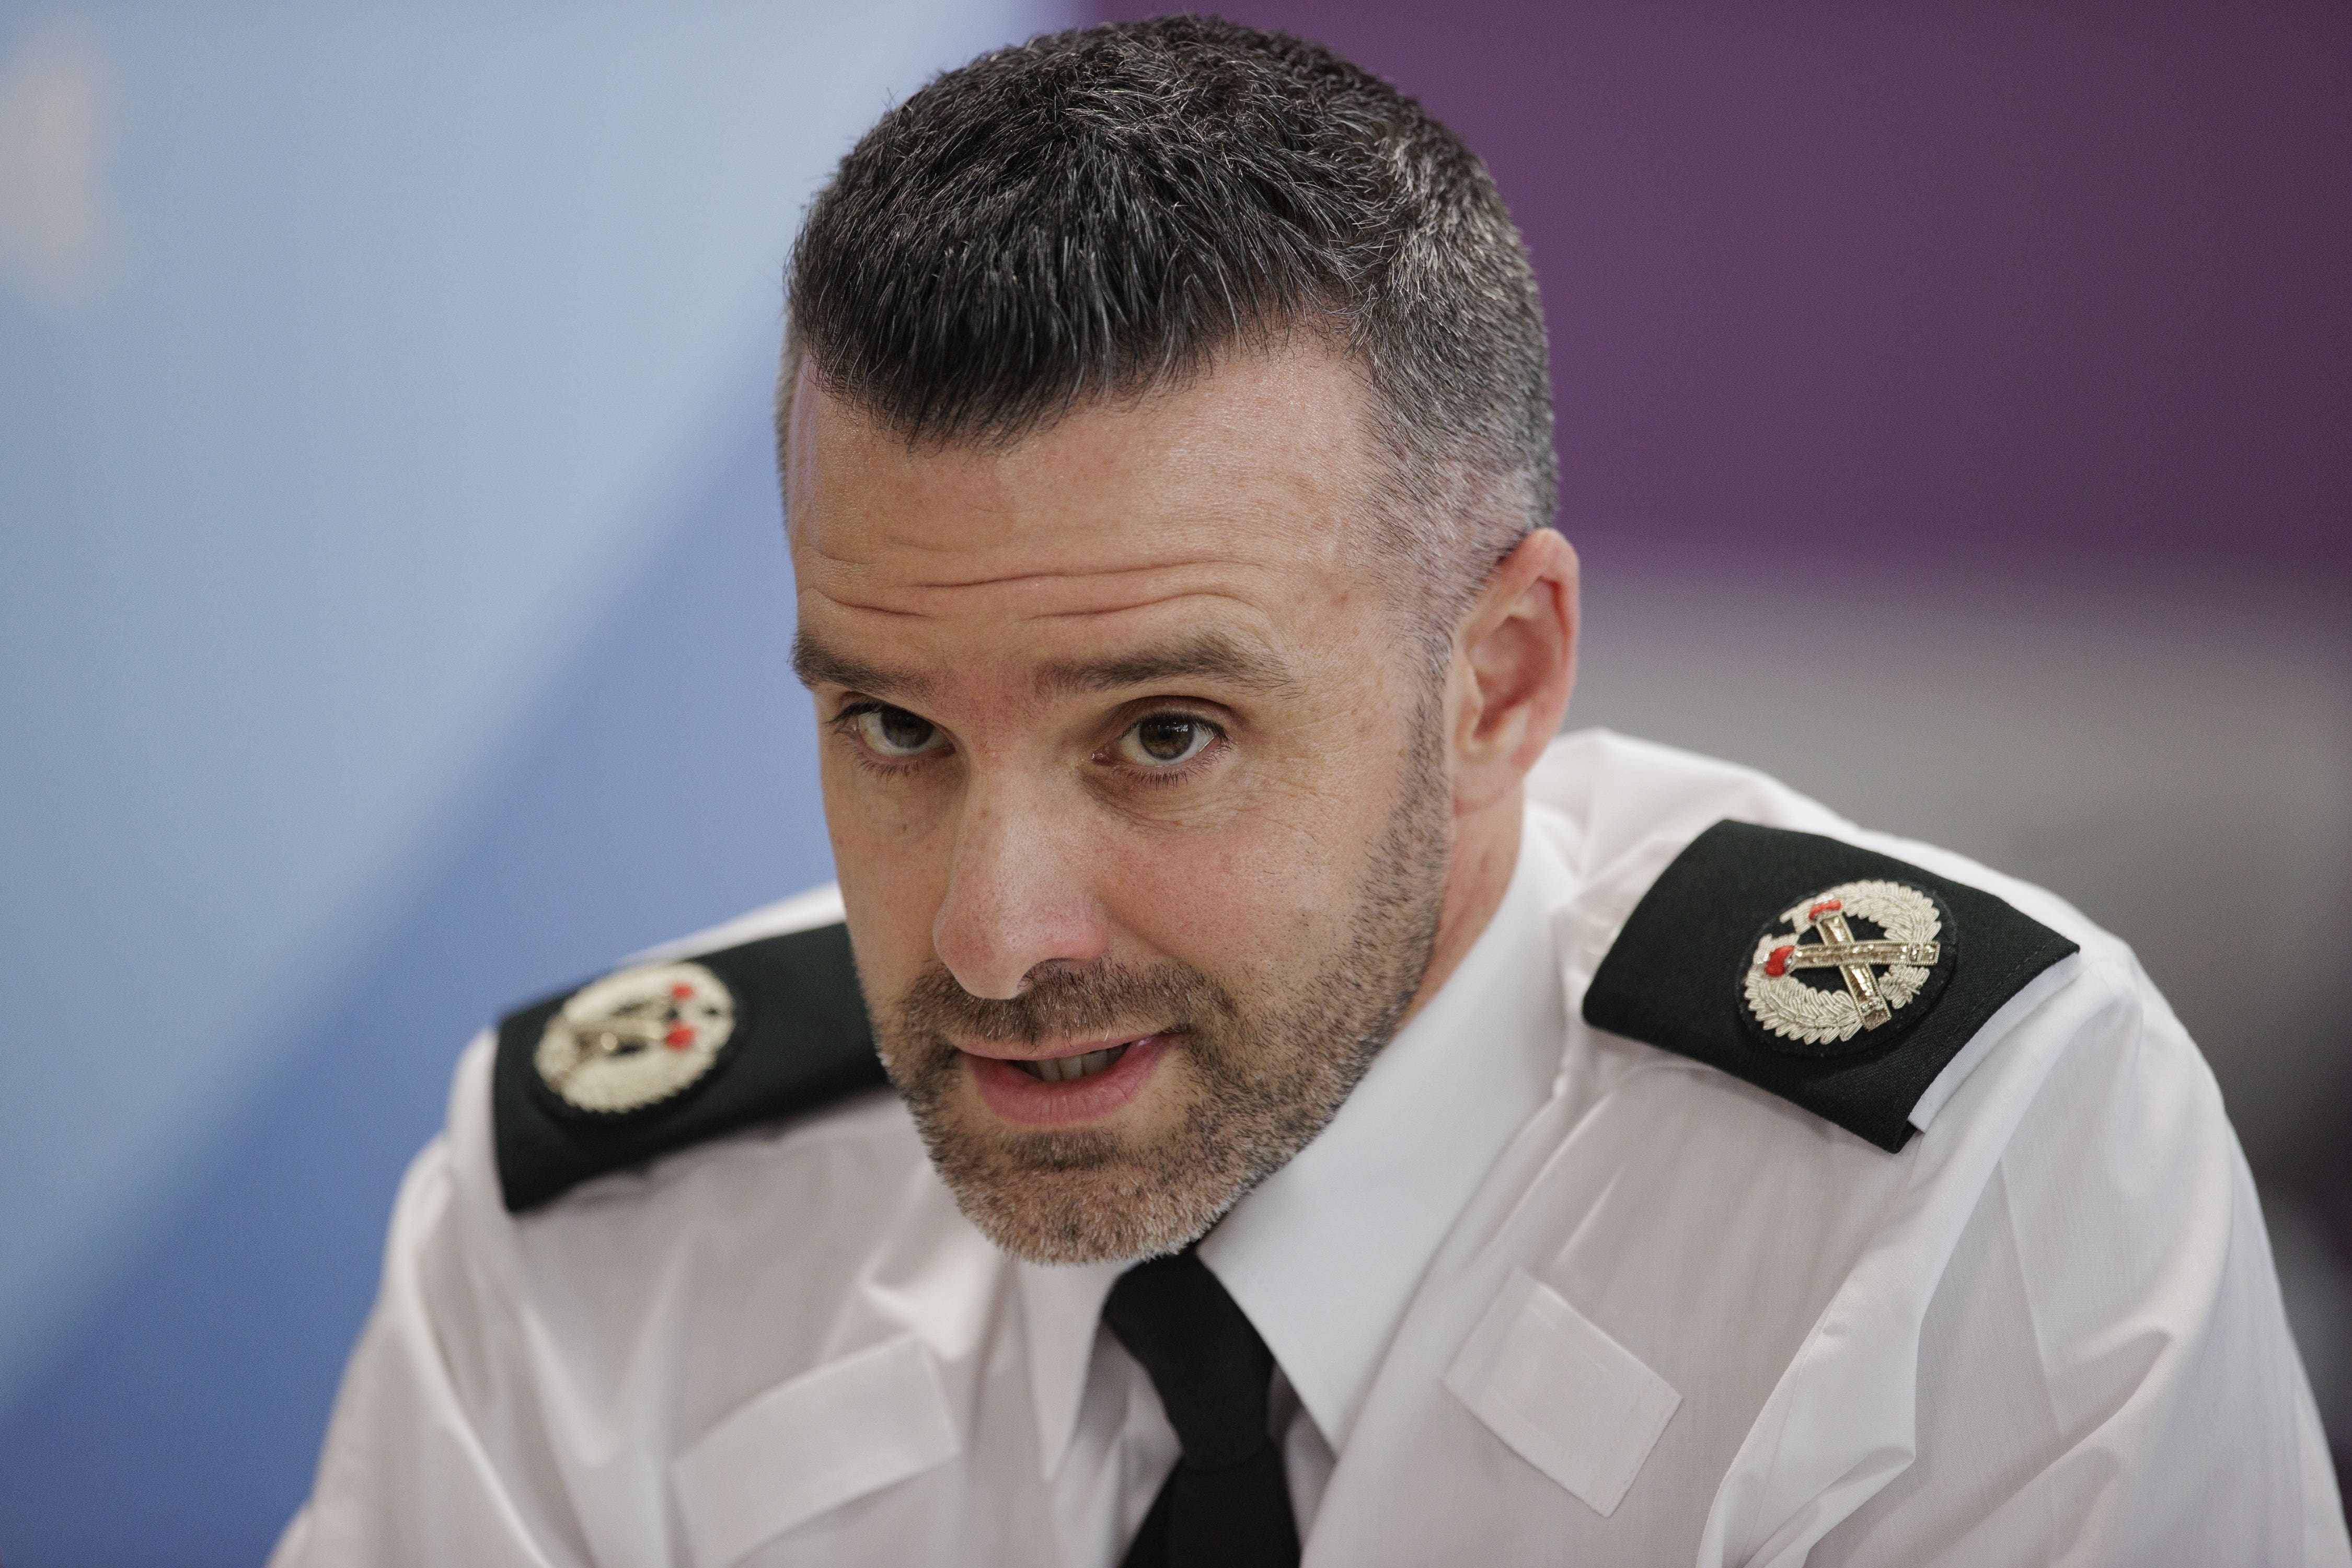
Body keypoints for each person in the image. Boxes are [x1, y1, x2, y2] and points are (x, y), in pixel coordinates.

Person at [272, 18, 2346, 1566]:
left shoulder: (1968, 1176)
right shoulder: (616, 1220)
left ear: (1499, 679)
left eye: (1163, 734)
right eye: (894, 728)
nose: (992, 934)